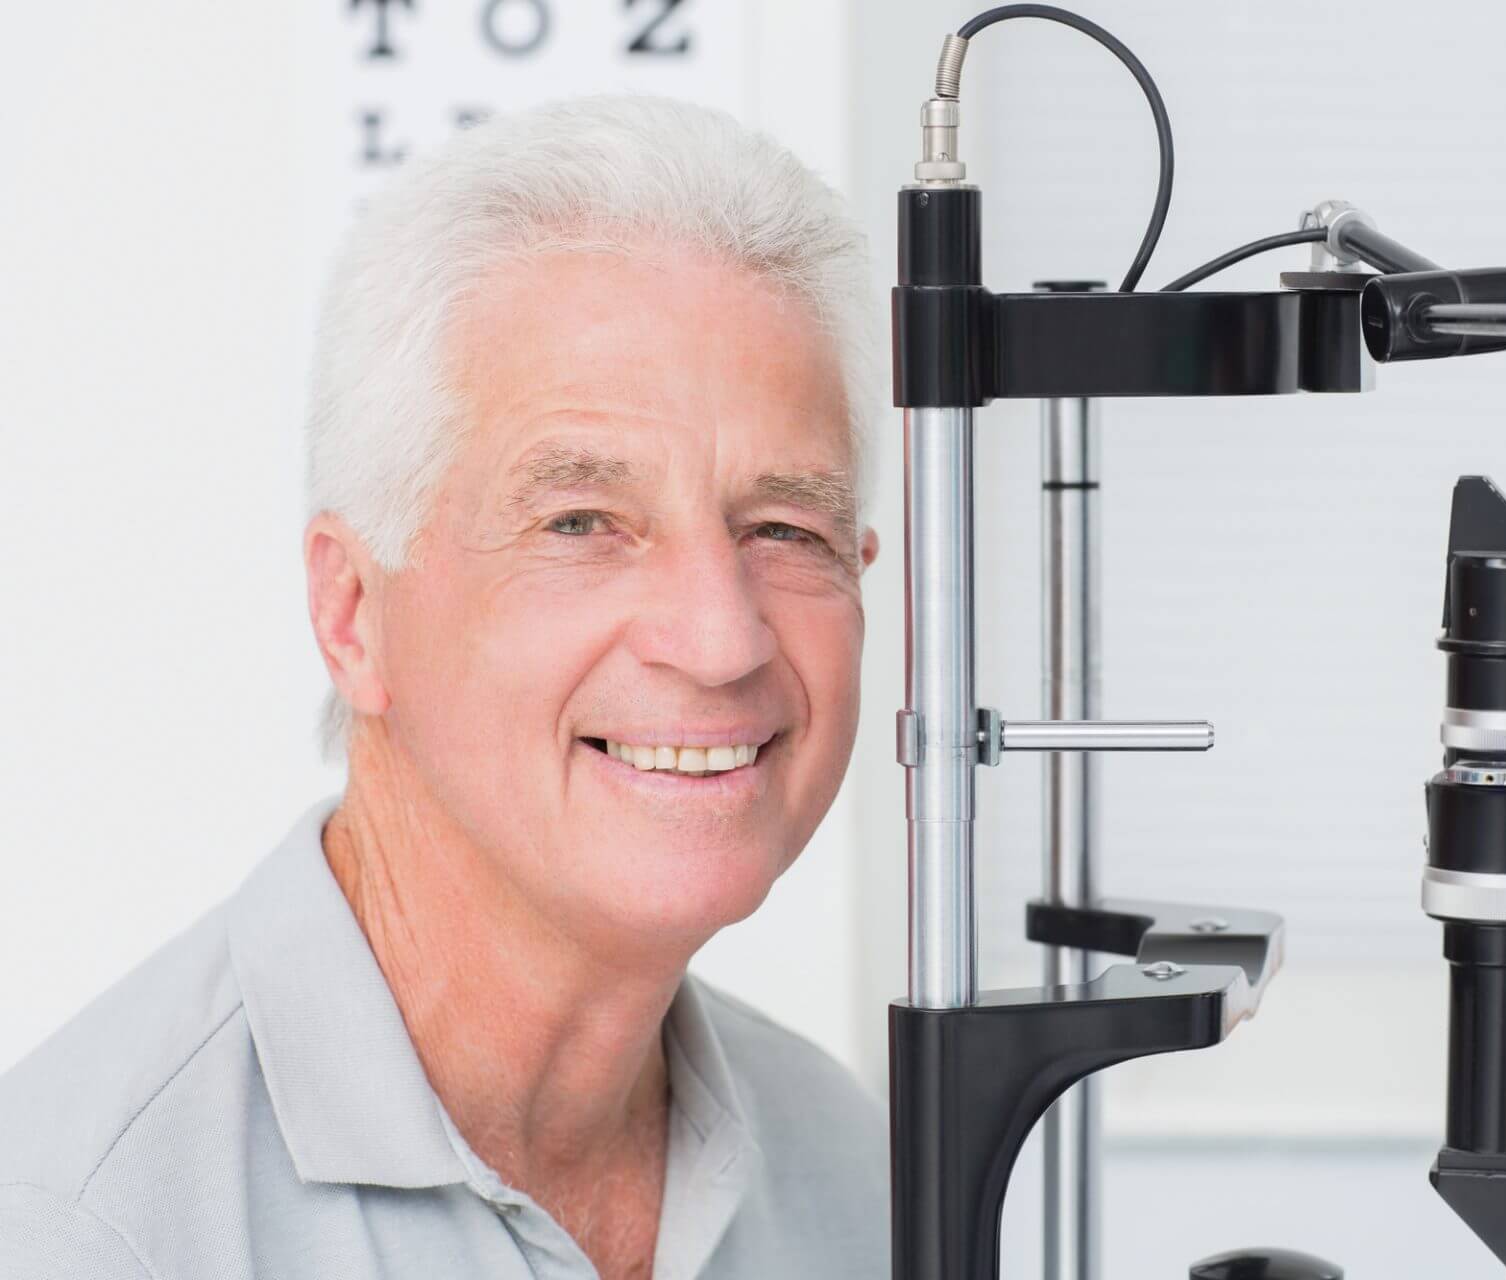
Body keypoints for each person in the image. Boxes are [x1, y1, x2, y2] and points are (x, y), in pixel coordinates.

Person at [0, 94, 887, 1280]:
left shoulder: (844, 1160)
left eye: (785, 527)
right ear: (351, 611)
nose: (722, 637)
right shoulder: (84, 1229)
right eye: (581, 520)